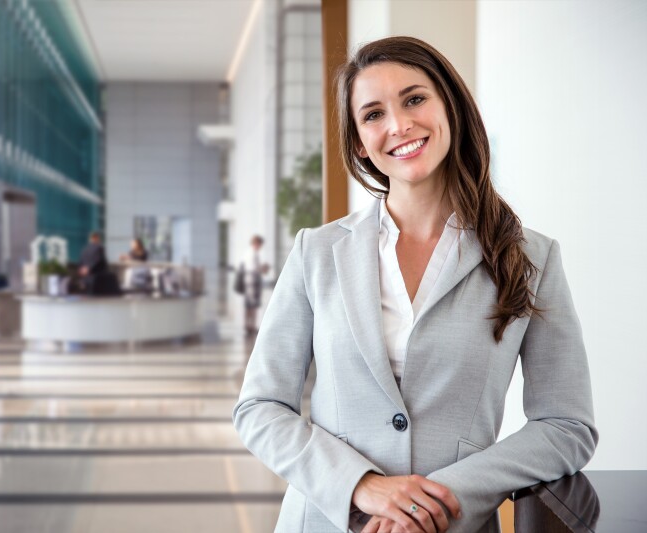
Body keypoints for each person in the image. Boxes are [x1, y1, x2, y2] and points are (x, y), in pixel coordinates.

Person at [233, 36, 597, 533]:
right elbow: (260, 407)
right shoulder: (315, 253)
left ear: (450, 106)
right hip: (325, 522)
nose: (399, 125)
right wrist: (361, 485)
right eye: (373, 114)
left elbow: (566, 426)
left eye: (414, 99)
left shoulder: (532, 257)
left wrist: (436, 500)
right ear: (359, 143)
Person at [239, 235, 270, 335]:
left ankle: (248, 325)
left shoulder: (248, 252)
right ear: (256, 243)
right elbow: (254, 268)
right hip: (252, 280)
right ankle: (251, 326)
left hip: (248, 280)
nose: (260, 247)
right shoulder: (252, 253)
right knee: (253, 304)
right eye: (260, 244)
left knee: (249, 305)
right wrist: (263, 268)